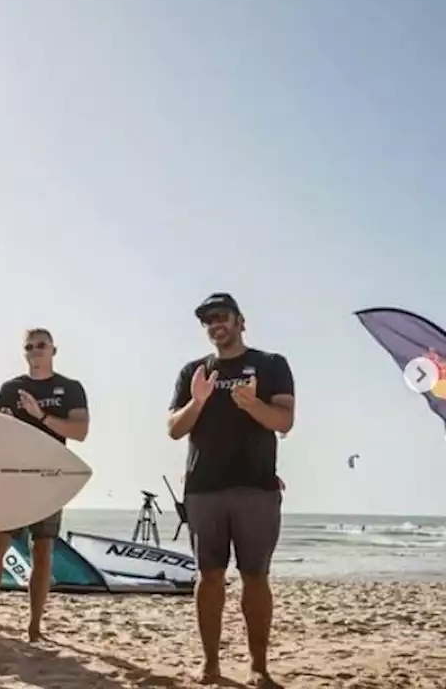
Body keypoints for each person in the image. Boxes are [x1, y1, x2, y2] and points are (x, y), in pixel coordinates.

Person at [167, 293, 294, 688]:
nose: (214, 324)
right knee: (209, 576)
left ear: (241, 320)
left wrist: (252, 405)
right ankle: (210, 666)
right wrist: (198, 402)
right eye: (207, 320)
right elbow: (174, 429)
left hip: (256, 487)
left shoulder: (271, 364)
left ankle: (258, 666)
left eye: (221, 316)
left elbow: (285, 421)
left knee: (255, 576)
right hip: (205, 489)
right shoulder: (194, 370)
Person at [0, 327, 90, 641]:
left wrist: (40, 415)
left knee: (42, 550)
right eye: (29, 346)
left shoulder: (70, 388)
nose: (35, 350)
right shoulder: (10, 389)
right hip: (11, 476)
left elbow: (80, 431)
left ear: (53, 351)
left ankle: (34, 627)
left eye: (41, 345)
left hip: (49, 476)